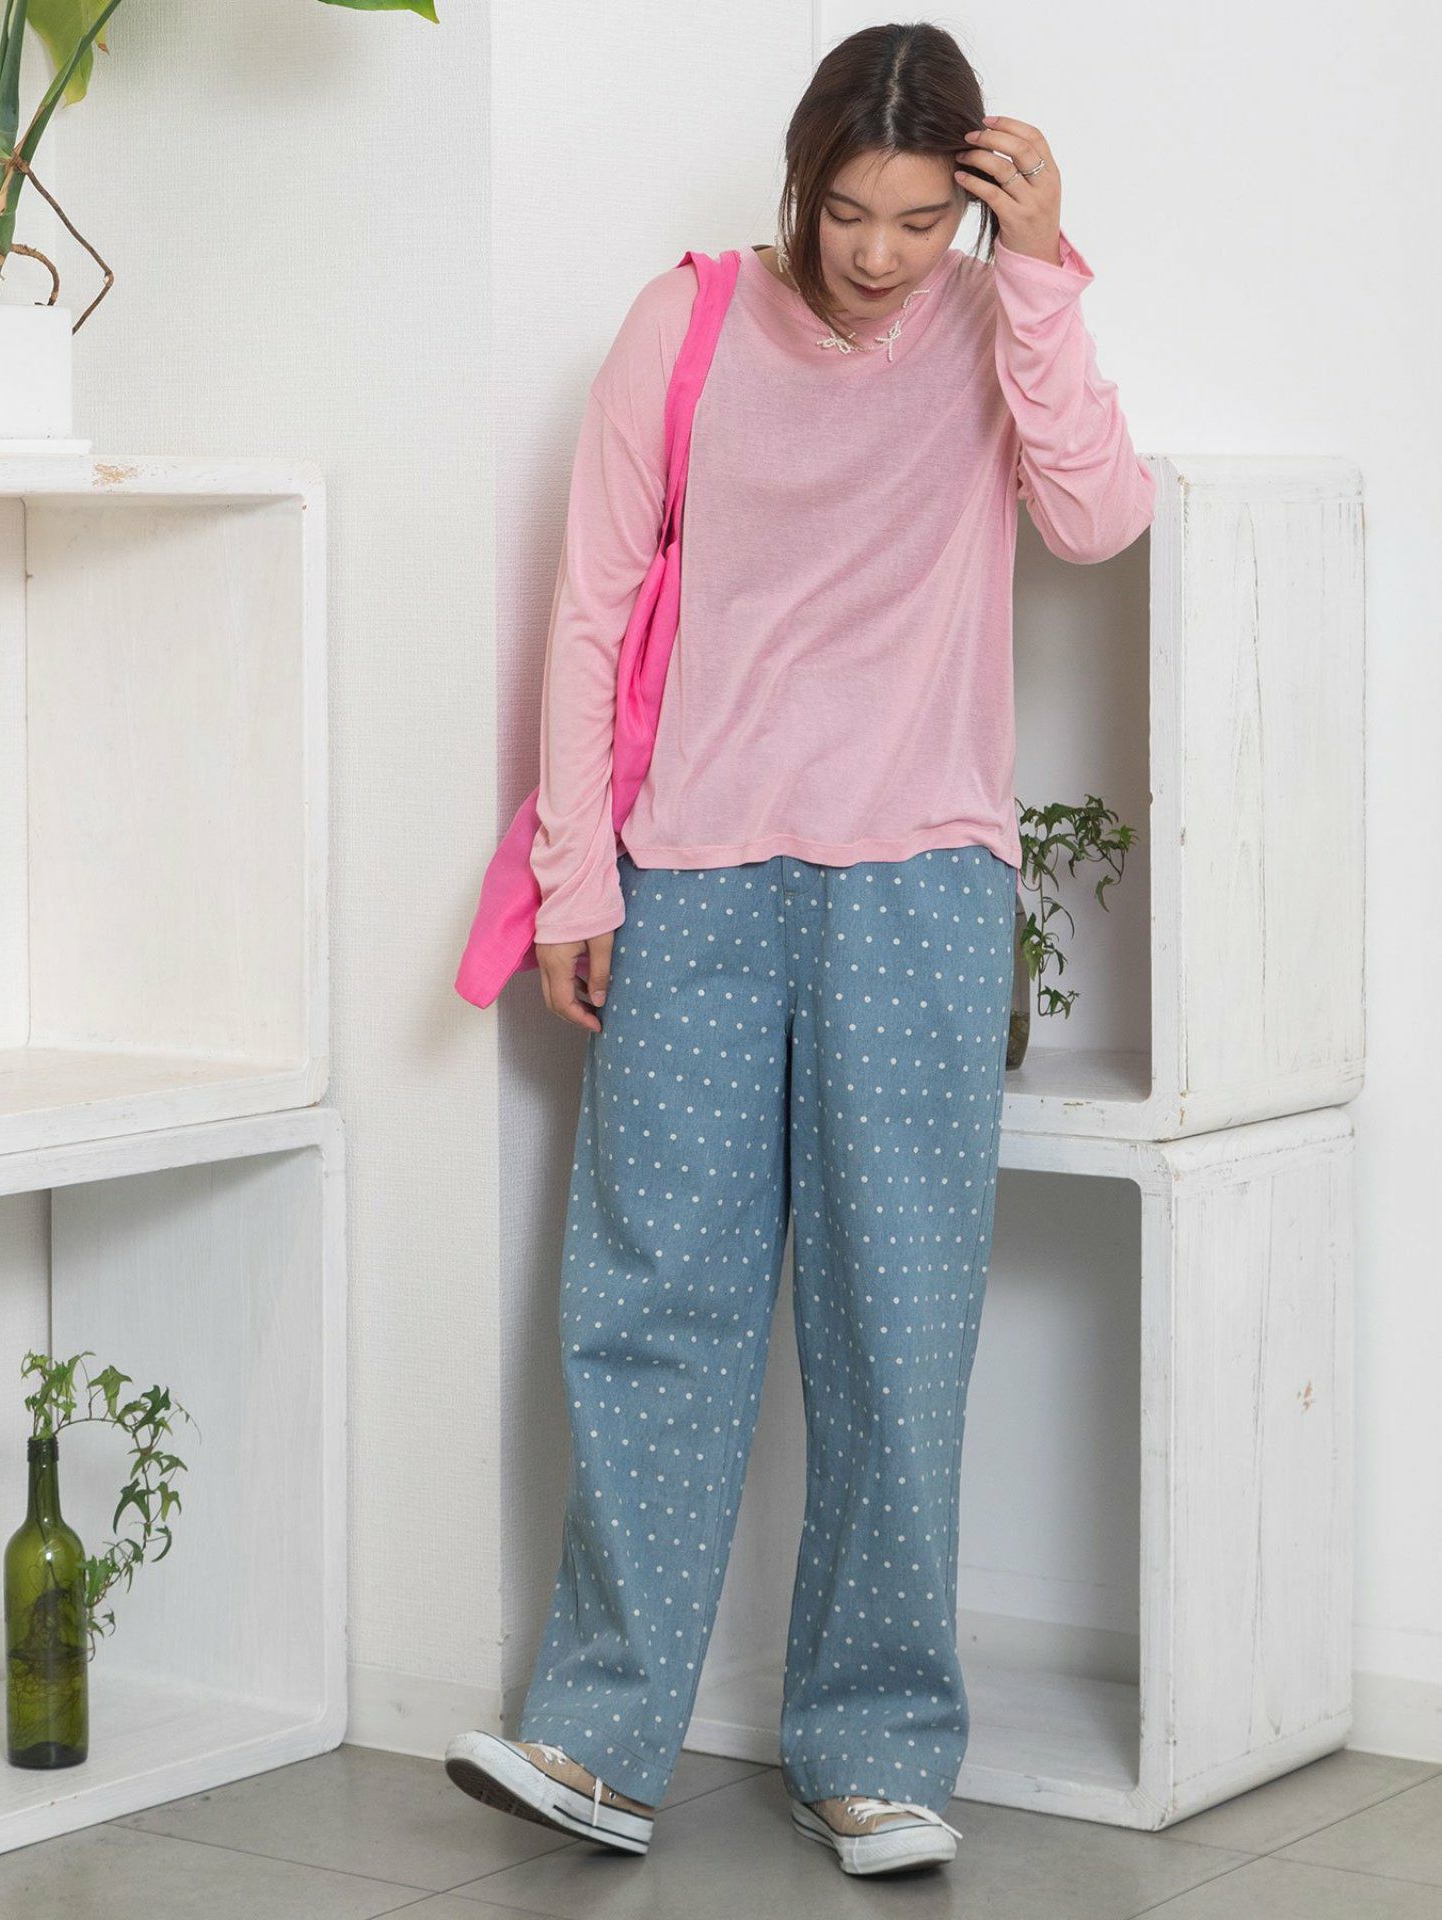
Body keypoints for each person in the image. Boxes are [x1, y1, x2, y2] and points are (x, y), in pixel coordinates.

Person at [445, 19, 1155, 1881]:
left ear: (965, 208)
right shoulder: (682, 324)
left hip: (918, 880)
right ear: (800, 180)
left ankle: (879, 1753)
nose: (880, 256)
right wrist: (578, 877)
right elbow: (590, 607)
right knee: (650, 1311)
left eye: (922, 221)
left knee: (896, 1326)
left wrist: (1044, 271)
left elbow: (1099, 515)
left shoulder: (996, 327)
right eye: (850, 213)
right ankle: (600, 1739)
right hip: (694, 872)